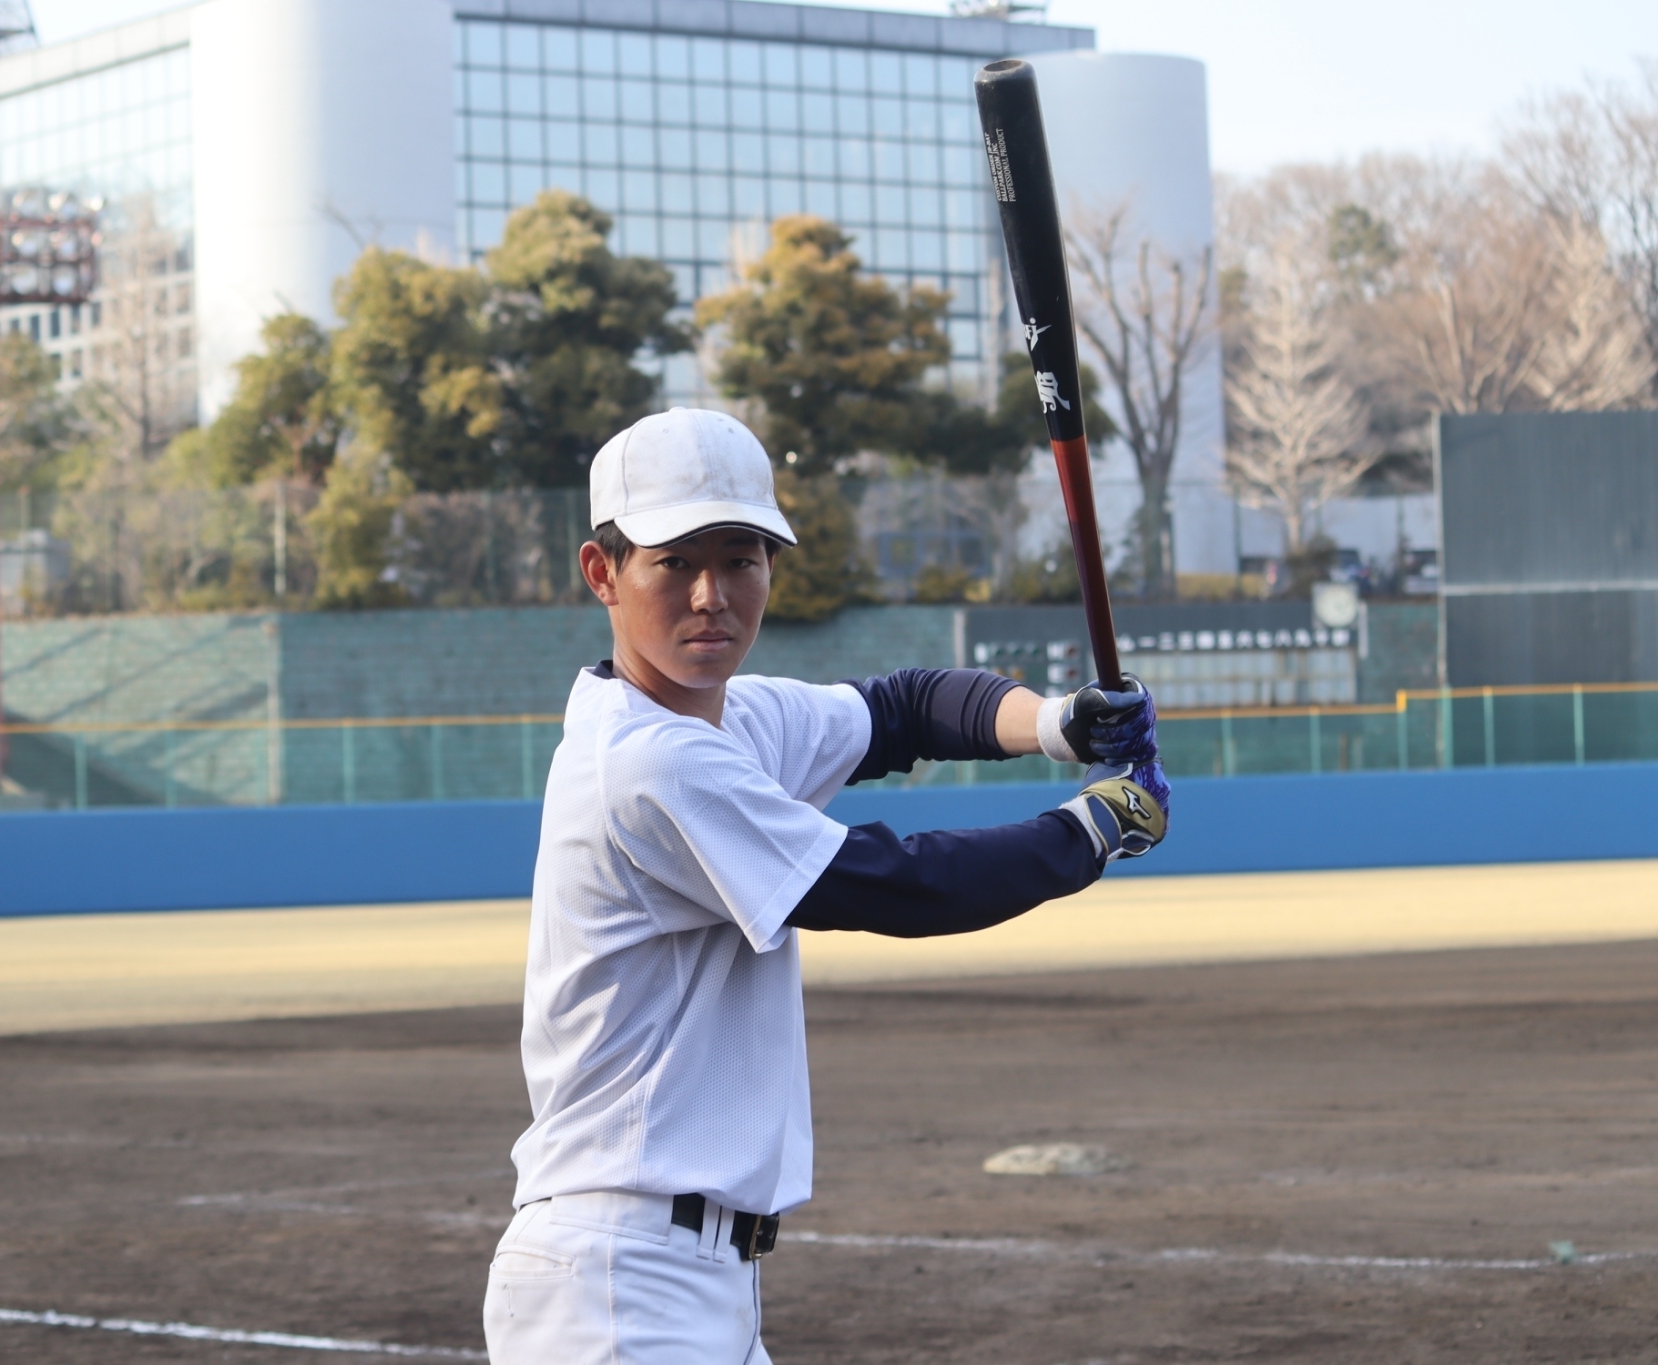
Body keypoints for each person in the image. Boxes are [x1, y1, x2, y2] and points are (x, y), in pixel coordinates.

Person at [484, 408, 1169, 1364]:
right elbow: (892, 885)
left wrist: (1059, 723)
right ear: (603, 573)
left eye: (742, 557)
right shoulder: (645, 758)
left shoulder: (734, 721)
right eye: (674, 562)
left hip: (689, 1279)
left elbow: (904, 706)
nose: (711, 594)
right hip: (619, 1283)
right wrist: (1091, 828)